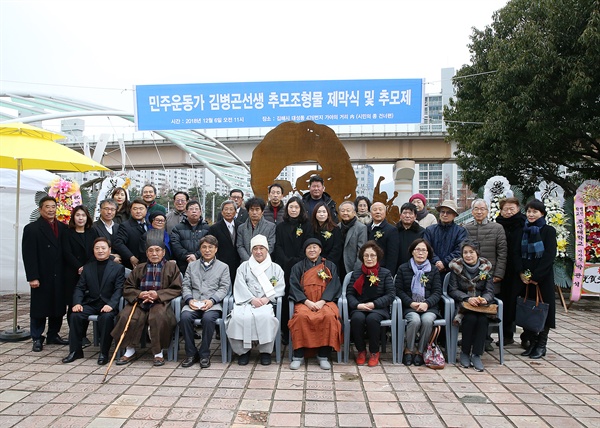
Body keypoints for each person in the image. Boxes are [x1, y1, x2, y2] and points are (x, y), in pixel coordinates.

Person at [112, 230, 182, 366]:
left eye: (157, 250)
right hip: (140, 302)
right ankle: (129, 350)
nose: (154, 254)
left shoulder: (171, 267)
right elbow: (128, 287)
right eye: (151, 251)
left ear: (163, 252)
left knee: (159, 317)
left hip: (160, 303)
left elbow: (177, 288)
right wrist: (139, 294)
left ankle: (158, 352)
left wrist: (158, 295)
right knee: (126, 316)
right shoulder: (140, 268)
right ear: (147, 253)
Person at [62, 237, 125, 365]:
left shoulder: (118, 268)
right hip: (91, 303)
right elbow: (80, 287)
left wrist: (111, 305)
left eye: (103, 248)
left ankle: (104, 352)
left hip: (108, 304)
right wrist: (77, 303)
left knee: (106, 318)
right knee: (75, 315)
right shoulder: (88, 268)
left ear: (109, 250)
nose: (100, 251)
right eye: (97, 248)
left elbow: (119, 290)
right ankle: (75, 351)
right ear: (93, 250)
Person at [226, 235, 285, 366]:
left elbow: (280, 287)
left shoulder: (276, 268)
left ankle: (265, 352)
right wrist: (251, 299)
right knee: (237, 318)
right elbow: (239, 285)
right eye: (255, 249)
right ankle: (243, 352)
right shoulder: (243, 267)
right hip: (247, 302)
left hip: (265, 303)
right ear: (251, 250)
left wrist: (266, 299)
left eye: (262, 248)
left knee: (266, 318)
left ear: (267, 249)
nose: (258, 251)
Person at [22, 196, 69, 352]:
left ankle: (53, 335)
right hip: (42, 275)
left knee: (58, 307)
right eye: (47, 207)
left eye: (53, 207)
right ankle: (37, 337)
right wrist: (32, 277)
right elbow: (28, 255)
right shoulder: (32, 229)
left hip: (59, 274)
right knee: (40, 308)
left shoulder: (63, 228)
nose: (50, 210)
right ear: (40, 209)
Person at [288, 238, 342, 370]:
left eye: (314, 247)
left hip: (325, 302)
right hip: (304, 302)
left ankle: (323, 355)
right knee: (300, 317)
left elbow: (334, 285)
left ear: (320, 250)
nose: (312, 250)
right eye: (309, 248)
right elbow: (294, 286)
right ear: (305, 250)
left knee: (329, 317)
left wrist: (322, 301)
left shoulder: (329, 266)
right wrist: (307, 302)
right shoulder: (298, 267)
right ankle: (298, 355)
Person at [180, 235, 231, 369]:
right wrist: (189, 299)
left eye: (210, 247)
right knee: (185, 317)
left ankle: (204, 354)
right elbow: (186, 285)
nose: (207, 250)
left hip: (212, 304)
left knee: (208, 319)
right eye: (204, 247)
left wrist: (212, 300)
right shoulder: (192, 266)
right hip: (194, 302)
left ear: (216, 249)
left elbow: (224, 287)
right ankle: (191, 353)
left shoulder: (223, 267)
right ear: (200, 249)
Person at [465, 198, 507, 351]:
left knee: (487, 305)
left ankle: (486, 339)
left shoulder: (497, 228)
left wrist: (499, 274)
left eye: (482, 209)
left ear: (487, 211)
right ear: (472, 211)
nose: (479, 211)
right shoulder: (466, 228)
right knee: (472, 304)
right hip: (471, 275)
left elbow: (502, 253)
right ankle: (470, 338)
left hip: (492, 274)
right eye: (476, 208)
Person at [448, 240, 495, 372]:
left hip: (481, 305)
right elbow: (453, 290)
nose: (468, 255)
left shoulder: (485, 268)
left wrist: (485, 299)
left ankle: (476, 355)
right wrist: (468, 298)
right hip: (464, 304)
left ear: (477, 253)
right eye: (465, 252)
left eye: (471, 252)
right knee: (470, 319)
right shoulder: (456, 268)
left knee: (482, 320)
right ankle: (464, 352)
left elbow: (489, 290)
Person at [519, 199, 557, 360]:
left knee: (544, 310)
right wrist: (522, 273)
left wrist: (536, 277)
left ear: (542, 213)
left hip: (543, 278)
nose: (531, 214)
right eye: (528, 211)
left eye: (534, 211)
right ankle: (532, 343)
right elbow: (518, 252)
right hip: (526, 278)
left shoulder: (548, 230)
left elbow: (549, 256)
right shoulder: (524, 230)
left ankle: (541, 345)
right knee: (530, 309)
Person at [346, 241, 395, 366]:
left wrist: (374, 304)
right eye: (366, 255)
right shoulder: (356, 273)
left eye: (372, 255)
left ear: (378, 257)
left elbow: (390, 295)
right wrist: (358, 305)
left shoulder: (385, 273)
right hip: (360, 307)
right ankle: (361, 350)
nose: (369, 258)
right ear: (362, 257)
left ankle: (374, 352)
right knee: (357, 318)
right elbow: (350, 294)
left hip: (378, 309)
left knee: (372, 319)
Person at [395, 239, 442, 366]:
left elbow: (437, 291)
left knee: (427, 320)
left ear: (428, 253)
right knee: (415, 320)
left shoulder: (433, 270)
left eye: (424, 250)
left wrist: (426, 303)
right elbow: (398, 290)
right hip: (410, 306)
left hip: (429, 306)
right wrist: (410, 303)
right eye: (418, 249)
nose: (420, 253)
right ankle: (409, 350)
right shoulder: (403, 268)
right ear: (412, 252)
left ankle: (421, 351)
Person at [274, 196, 313, 342]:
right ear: (287, 209)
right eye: (291, 207)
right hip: (284, 267)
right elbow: (277, 246)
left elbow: (309, 245)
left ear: (301, 209)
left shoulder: (307, 226)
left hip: (302, 266)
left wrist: (298, 261)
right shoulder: (280, 226)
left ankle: (302, 330)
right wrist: (286, 260)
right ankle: (285, 330)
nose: (294, 210)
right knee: (284, 298)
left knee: (301, 296)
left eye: (296, 207)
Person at [495, 197, 527, 345]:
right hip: (502, 269)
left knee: (521, 303)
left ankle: (527, 336)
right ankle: (506, 335)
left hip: (519, 270)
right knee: (504, 302)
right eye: (505, 209)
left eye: (511, 209)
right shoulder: (497, 225)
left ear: (518, 209)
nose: (508, 212)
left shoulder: (524, 224)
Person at [62, 205, 98, 321]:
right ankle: (74, 334)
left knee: (86, 302)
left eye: (83, 215)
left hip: (90, 271)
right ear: (73, 217)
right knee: (74, 303)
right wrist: (78, 266)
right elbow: (66, 252)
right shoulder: (67, 232)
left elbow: (96, 250)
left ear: (87, 217)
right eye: (78, 215)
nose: (80, 218)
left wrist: (86, 267)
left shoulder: (92, 232)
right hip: (72, 273)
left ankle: (83, 334)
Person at [423, 200, 468, 279]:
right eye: (442, 212)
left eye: (448, 212)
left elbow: (460, 250)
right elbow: (426, 248)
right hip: (432, 270)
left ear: (454, 215)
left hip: (452, 272)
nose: (445, 215)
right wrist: (436, 261)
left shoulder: (460, 231)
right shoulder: (430, 230)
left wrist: (444, 263)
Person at [169, 200, 210, 275]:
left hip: (203, 263)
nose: (194, 211)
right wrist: (187, 257)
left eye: (196, 209)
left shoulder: (207, 228)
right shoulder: (177, 228)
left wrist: (196, 256)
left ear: (200, 212)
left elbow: (210, 245)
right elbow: (175, 244)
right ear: (186, 212)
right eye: (191, 209)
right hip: (182, 265)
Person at [208, 200, 241, 283]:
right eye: (226, 209)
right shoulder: (214, 228)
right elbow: (213, 247)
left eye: (231, 209)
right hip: (222, 264)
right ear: (222, 212)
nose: (228, 212)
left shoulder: (241, 226)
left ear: (235, 212)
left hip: (239, 264)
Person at [236, 197, 276, 262]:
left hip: (264, 262)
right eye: (252, 210)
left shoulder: (271, 227)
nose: (254, 213)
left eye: (257, 209)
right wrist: (250, 261)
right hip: (246, 263)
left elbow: (270, 246)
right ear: (248, 211)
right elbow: (240, 246)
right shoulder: (241, 228)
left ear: (262, 211)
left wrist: (260, 259)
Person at [113, 199, 148, 270]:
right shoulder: (125, 226)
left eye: (141, 209)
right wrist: (131, 257)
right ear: (130, 210)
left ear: (146, 210)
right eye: (135, 209)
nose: (138, 211)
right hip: (132, 265)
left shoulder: (150, 225)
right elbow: (119, 243)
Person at [338, 201, 367, 279]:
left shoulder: (361, 228)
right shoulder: (337, 227)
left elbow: (361, 250)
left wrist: (357, 270)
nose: (345, 213)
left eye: (348, 210)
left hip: (352, 265)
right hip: (338, 266)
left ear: (354, 213)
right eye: (343, 211)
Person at [368, 202, 399, 271]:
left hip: (382, 269)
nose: (378, 212)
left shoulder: (391, 230)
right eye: (375, 210)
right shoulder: (366, 228)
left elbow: (392, 255)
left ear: (385, 212)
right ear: (370, 213)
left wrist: (389, 273)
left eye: (380, 209)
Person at [311, 202, 343, 269]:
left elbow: (337, 248)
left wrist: (326, 263)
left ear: (328, 214)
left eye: (324, 212)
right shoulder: (311, 228)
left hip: (330, 264)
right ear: (315, 214)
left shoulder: (335, 229)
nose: (321, 214)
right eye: (319, 212)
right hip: (313, 263)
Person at [93, 199, 122, 264]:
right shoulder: (93, 227)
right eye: (106, 209)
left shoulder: (118, 227)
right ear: (100, 210)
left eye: (112, 209)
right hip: (99, 263)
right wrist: (111, 257)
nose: (109, 212)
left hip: (118, 264)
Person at [396, 202, 425, 267]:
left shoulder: (421, 232)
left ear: (415, 216)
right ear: (400, 215)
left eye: (410, 213)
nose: (407, 216)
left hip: (415, 266)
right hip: (397, 267)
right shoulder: (394, 231)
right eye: (405, 213)